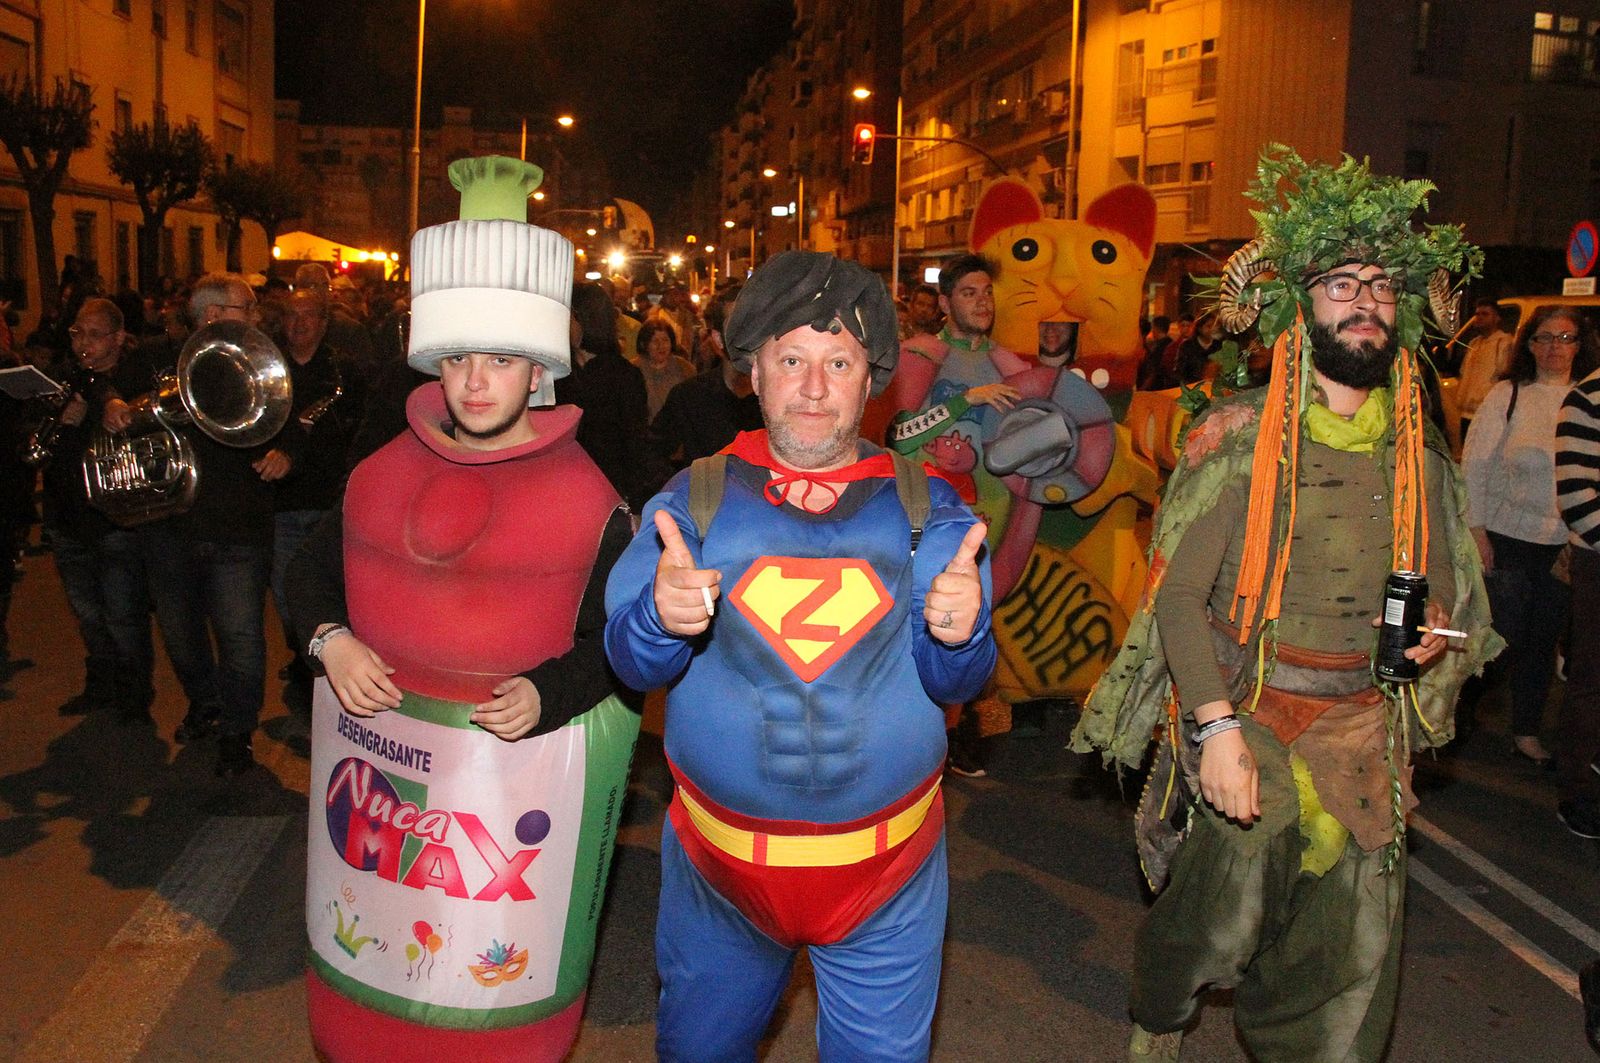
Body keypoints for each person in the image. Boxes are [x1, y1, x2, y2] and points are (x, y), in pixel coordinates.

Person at [1073, 147, 1498, 1062]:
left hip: (1363, 717)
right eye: (1341, 284)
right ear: (1299, 308)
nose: (1364, 302)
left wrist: (1435, 631)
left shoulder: (1421, 455)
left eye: (1380, 287)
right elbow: (1180, 598)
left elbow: (1448, 583)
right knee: (1228, 887)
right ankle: (1160, 1011)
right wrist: (1217, 727)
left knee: (1353, 941)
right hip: (1252, 700)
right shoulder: (1240, 437)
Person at [287, 155, 638, 1063]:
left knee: (482, 1014)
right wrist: (329, 640)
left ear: (540, 371)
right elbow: (306, 578)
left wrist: (551, 691)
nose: (476, 381)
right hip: (377, 809)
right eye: (458, 359)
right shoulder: (379, 474)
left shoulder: (592, 503)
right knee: (371, 999)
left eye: (502, 360)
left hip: (506, 825)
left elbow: (626, 646)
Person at [604, 249, 996, 1062]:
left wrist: (961, 635)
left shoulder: (928, 509)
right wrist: (657, 620)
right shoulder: (694, 500)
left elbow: (957, 680)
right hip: (719, 872)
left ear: (870, 378)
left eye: (839, 363)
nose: (814, 388)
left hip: (888, 874)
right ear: (754, 370)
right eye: (792, 360)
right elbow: (631, 667)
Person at [1462, 307, 1597, 767]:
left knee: (1542, 643)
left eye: (1566, 337)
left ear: (1581, 345)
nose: (1555, 347)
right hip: (1507, 539)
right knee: (1498, 641)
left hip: (1565, 545)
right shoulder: (1509, 395)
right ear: (1529, 344)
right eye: (1545, 337)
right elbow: (1475, 466)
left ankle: (1526, 732)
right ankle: (1458, 716)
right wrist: (1477, 531)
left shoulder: (1588, 399)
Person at [1554, 313, 1600, 838]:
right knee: (1591, 681)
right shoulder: (1587, 399)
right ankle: (1578, 792)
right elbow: (1576, 498)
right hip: (1597, 560)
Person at [1456, 298, 1514, 438]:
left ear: (1497, 318)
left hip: (1487, 413)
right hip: (1467, 413)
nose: (1480, 318)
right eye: (1477, 314)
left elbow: (1505, 374)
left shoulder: (1504, 343)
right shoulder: (1474, 344)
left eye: (1485, 314)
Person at [634, 317, 696, 420]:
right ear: (644, 344)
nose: (661, 346)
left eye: (665, 340)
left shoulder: (685, 368)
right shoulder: (633, 370)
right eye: (655, 341)